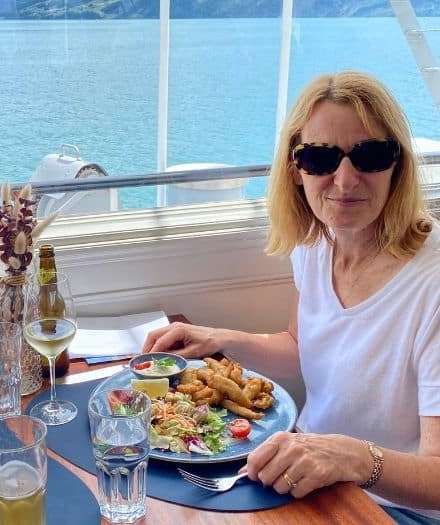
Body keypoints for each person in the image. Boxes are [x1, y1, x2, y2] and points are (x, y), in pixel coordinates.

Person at [143, 71, 440, 524]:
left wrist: (355, 458)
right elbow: (303, 348)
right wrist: (216, 338)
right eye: (320, 158)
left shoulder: (432, 284)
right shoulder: (317, 243)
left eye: (370, 155)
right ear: (295, 170)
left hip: (393, 509)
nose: (344, 180)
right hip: (307, 470)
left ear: (396, 166)